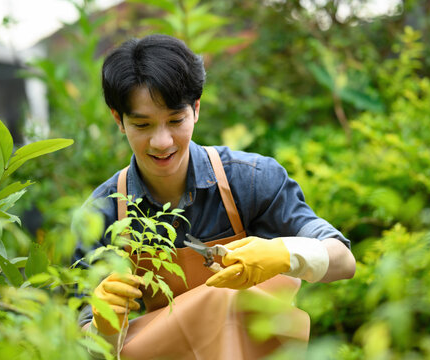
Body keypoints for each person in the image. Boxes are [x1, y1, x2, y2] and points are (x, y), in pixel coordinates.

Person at [74, 34, 355, 359]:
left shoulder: (250, 179)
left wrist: (284, 253)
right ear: (118, 120)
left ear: (195, 109)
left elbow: (343, 261)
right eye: (142, 124)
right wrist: (103, 325)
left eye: (175, 121)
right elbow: (87, 349)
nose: (162, 142)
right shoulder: (102, 213)